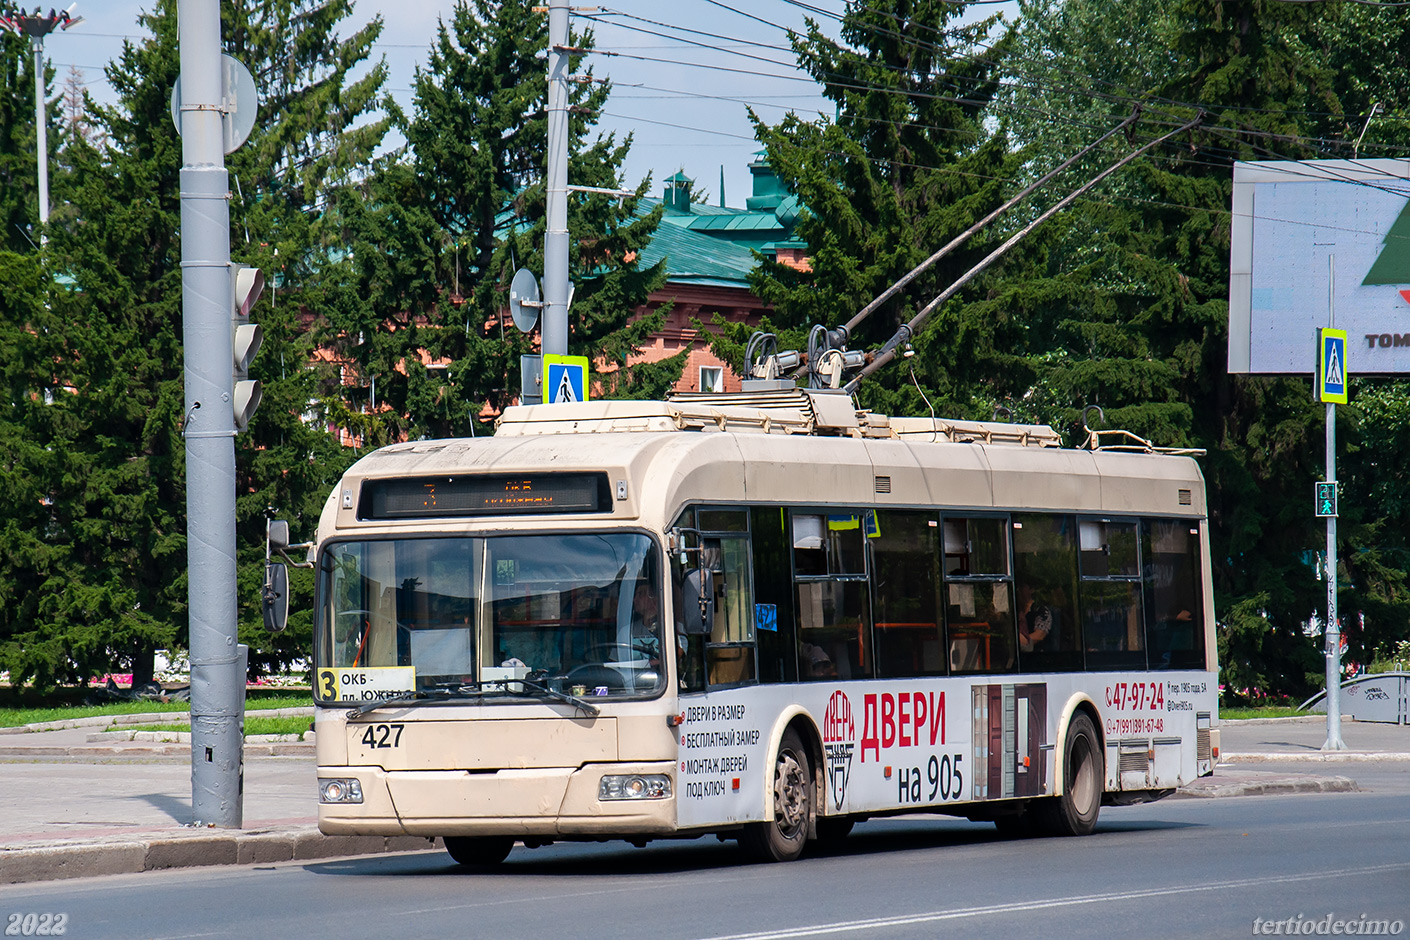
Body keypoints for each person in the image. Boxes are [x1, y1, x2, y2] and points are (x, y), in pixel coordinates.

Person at [1018, 583, 1052, 652]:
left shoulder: (1042, 611)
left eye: (1022, 587)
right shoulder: (1016, 610)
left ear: (1032, 590)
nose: (1018, 590)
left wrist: (1020, 641)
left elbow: (1039, 636)